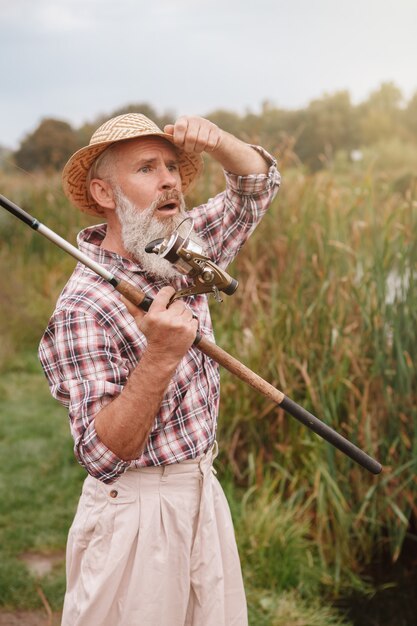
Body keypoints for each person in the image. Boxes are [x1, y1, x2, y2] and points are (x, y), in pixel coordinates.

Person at [39, 112, 280, 626]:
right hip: (135, 515)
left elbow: (255, 186)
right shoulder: (82, 305)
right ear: (105, 193)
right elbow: (102, 453)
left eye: (171, 166)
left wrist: (218, 142)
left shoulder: (181, 249)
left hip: (202, 494)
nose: (170, 179)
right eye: (147, 168)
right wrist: (161, 358)